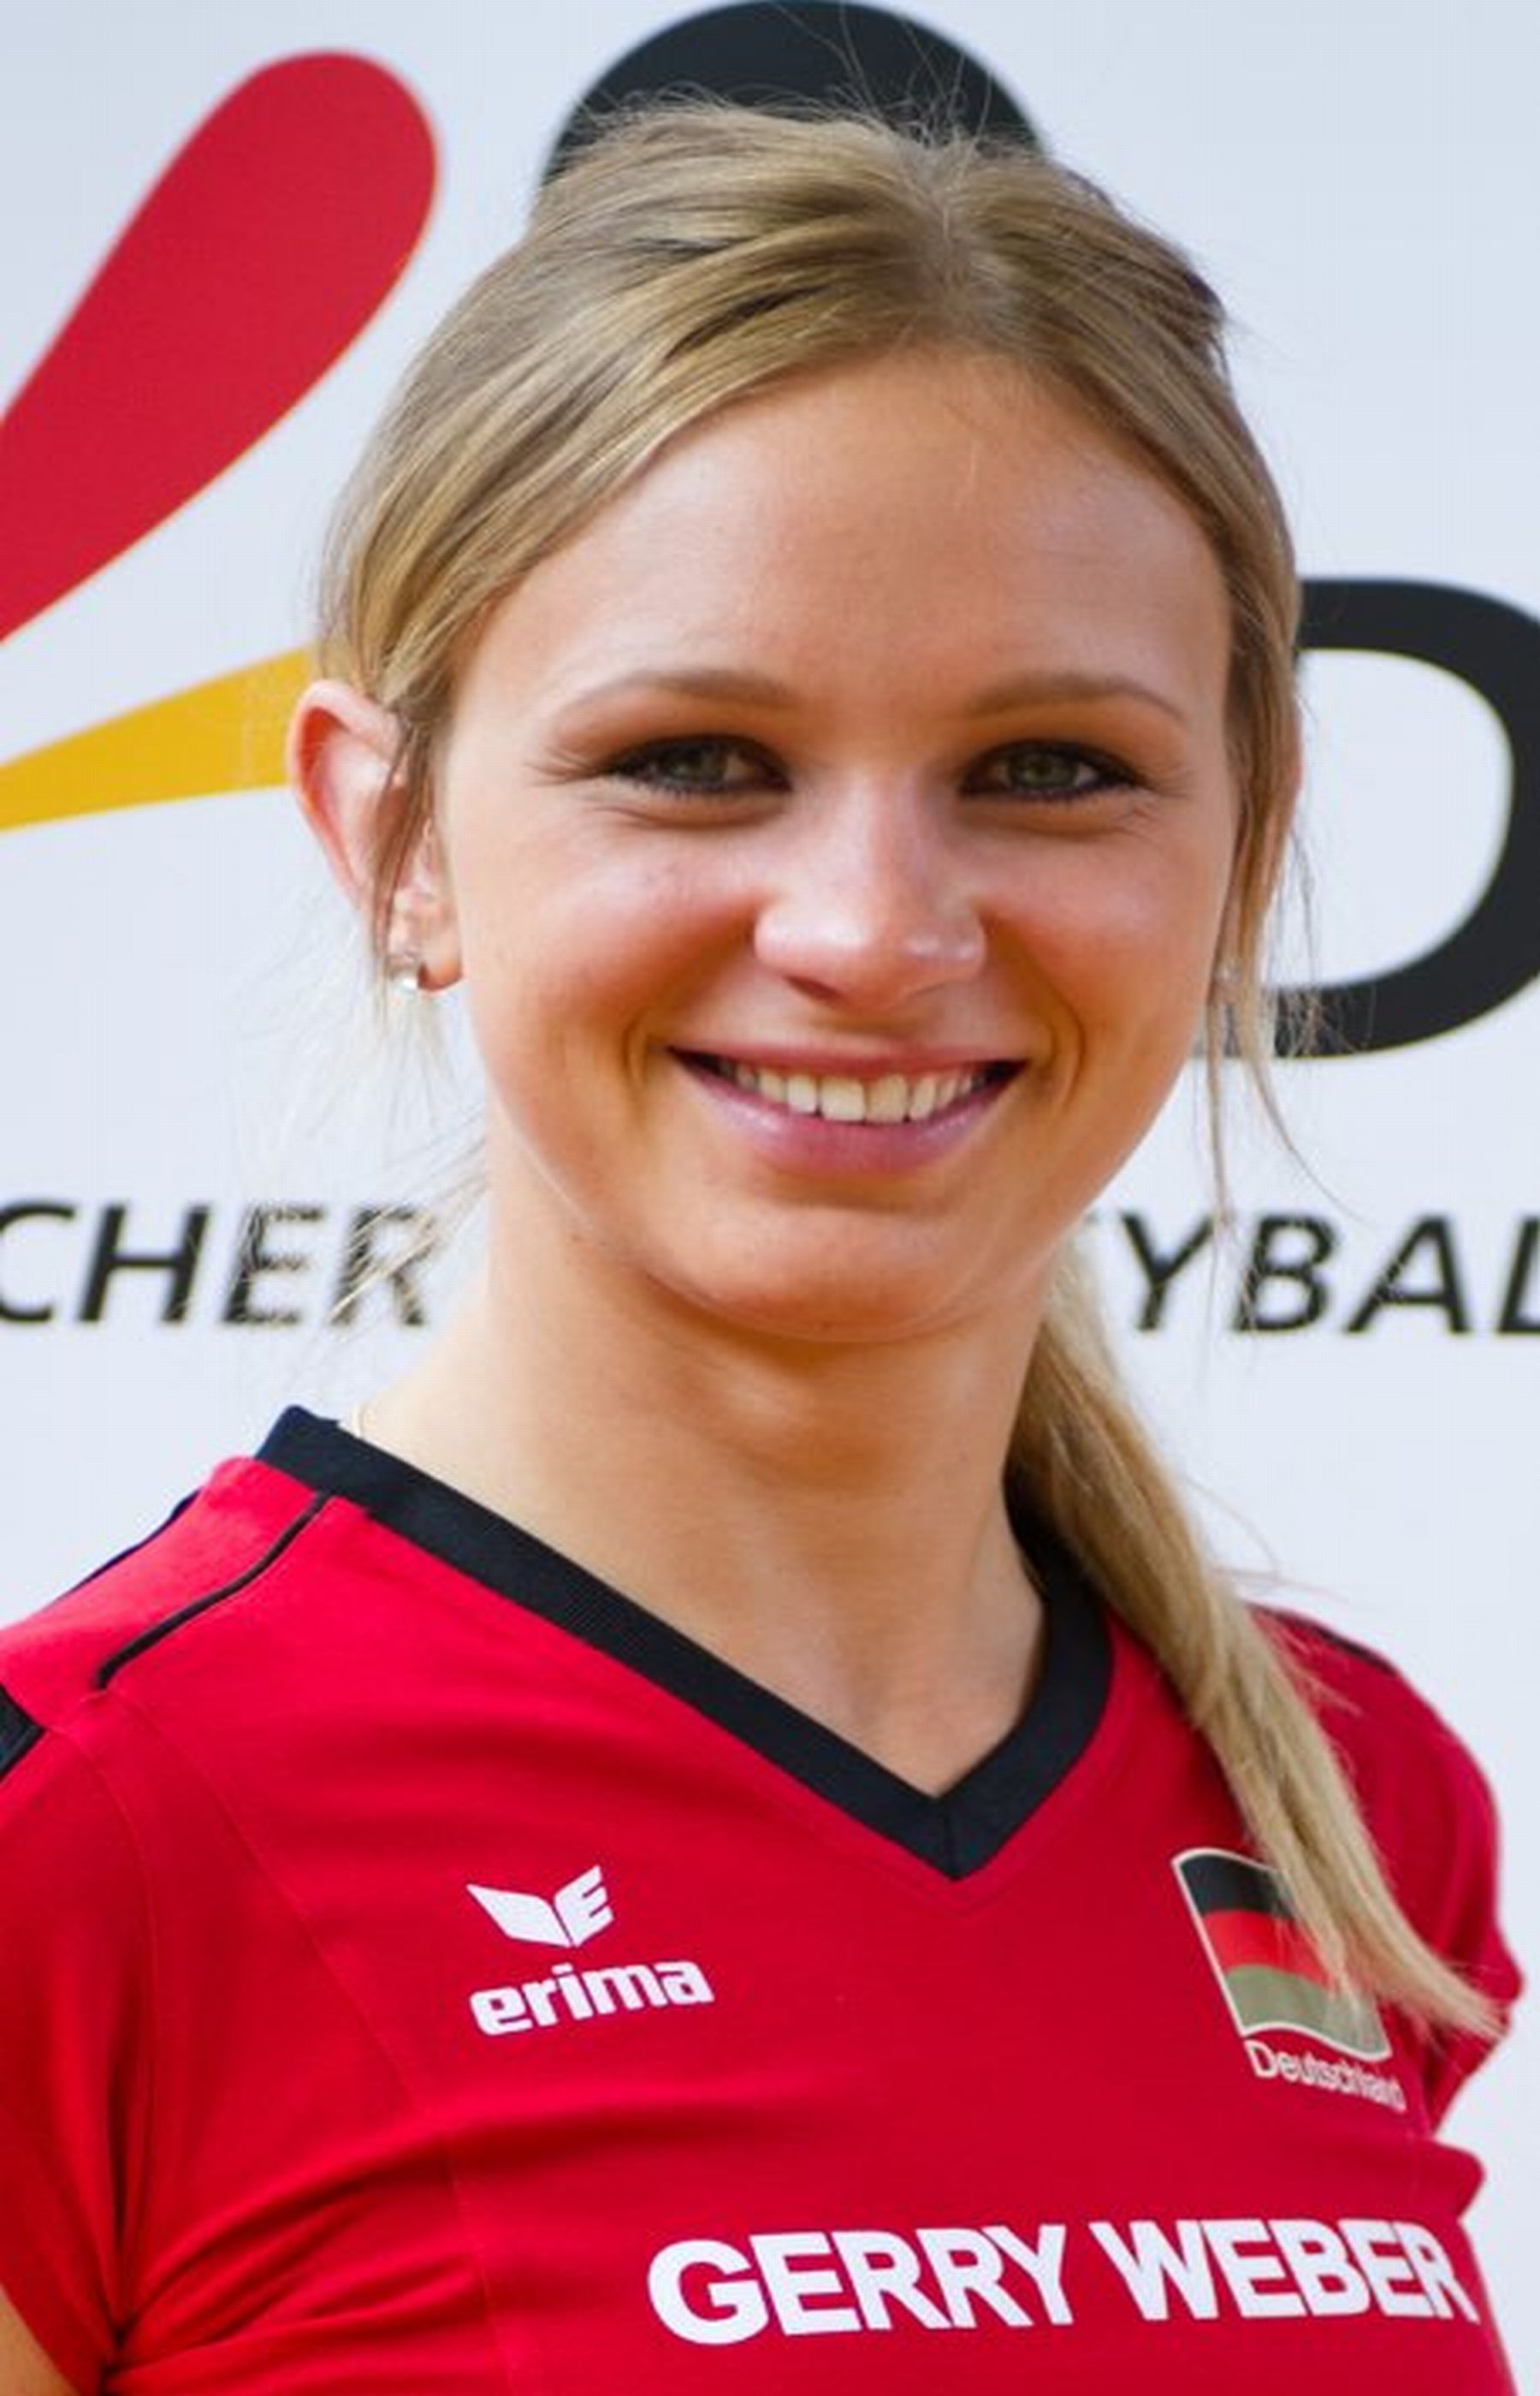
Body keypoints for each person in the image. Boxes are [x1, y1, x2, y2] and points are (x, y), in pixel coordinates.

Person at [0, 103, 1519, 2394]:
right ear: (393, 839)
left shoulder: (1349, 1798)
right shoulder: (88, 1838)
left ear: (1249, 832)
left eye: (1048, 768)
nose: (874, 932)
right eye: (698, 759)